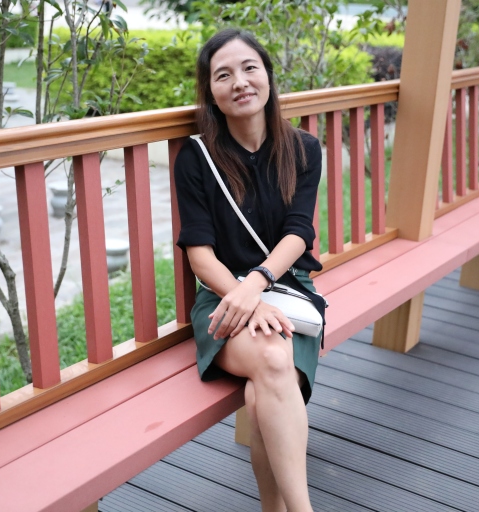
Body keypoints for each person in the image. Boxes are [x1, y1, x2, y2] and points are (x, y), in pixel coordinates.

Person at [174, 28, 323, 512]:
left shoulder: (304, 149)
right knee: (275, 363)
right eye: (223, 75)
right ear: (211, 93)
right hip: (221, 296)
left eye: (249, 68)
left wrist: (256, 288)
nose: (239, 82)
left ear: (268, 77)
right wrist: (243, 298)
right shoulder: (196, 158)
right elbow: (200, 255)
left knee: (263, 395)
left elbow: (298, 233)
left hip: (286, 290)